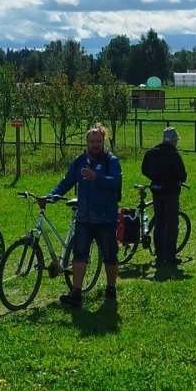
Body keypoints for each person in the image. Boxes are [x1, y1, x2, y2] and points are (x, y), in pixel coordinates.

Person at [47, 125, 122, 307]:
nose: (95, 145)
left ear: (104, 141)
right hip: (84, 218)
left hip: (106, 218)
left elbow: (116, 182)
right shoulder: (80, 160)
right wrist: (50, 197)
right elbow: (66, 182)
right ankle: (76, 293)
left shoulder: (111, 161)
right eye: (91, 142)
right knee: (79, 254)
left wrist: (97, 177)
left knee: (110, 255)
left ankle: (111, 289)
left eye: (98, 141)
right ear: (87, 143)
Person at [141, 126, 188, 268]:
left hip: (156, 190)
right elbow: (182, 174)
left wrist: (156, 179)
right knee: (171, 223)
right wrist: (176, 180)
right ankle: (170, 255)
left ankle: (159, 253)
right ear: (173, 141)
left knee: (159, 222)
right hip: (170, 192)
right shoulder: (173, 154)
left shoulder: (151, 153)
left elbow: (144, 170)